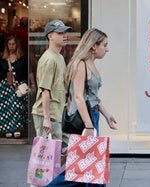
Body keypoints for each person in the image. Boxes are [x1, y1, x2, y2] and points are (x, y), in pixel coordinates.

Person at [46, 28, 117, 187]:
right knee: (81, 166)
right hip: (84, 120)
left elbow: (92, 97)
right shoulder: (81, 65)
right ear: (93, 46)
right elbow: (78, 96)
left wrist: (106, 114)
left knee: (89, 164)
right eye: (104, 45)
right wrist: (89, 125)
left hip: (92, 116)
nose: (107, 49)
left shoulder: (91, 64)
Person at [31, 19, 71, 167]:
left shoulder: (59, 57)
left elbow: (58, 86)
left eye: (65, 32)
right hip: (47, 114)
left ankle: (47, 181)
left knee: (58, 153)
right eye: (60, 33)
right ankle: (39, 183)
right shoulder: (49, 59)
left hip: (57, 113)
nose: (65, 35)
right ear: (50, 36)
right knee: (46, 157)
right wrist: (46, 118)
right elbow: (45, 90)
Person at [0, 35, 29, 138]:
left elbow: (27, 72)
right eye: (9, 44)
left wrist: (31, 83)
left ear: (17, 45)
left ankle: (16, 128)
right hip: (6, 86)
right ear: (7, 45)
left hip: (19, 85)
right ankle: (8, 128)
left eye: (13, 44)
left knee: (17, 106)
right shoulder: (3, 58)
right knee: (7, 108)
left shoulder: (22, 57)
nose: (11, 46)